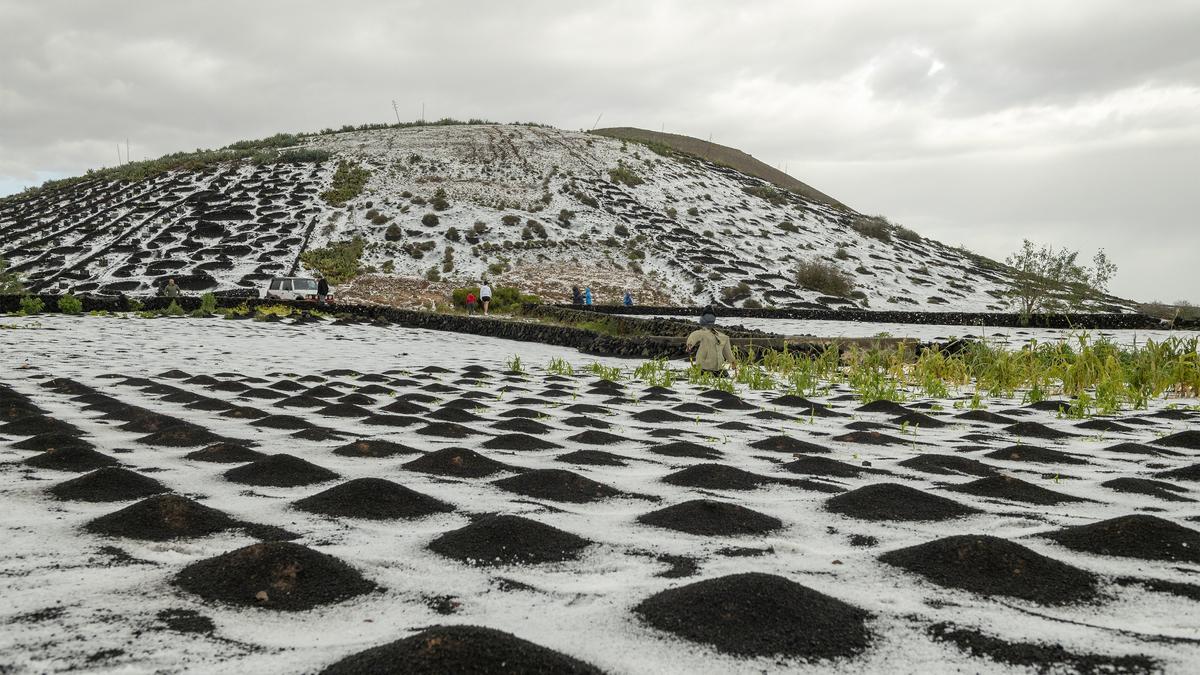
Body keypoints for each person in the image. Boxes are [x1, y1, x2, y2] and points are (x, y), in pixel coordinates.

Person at [685, 306, 735, 376]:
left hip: (709, 367)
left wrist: (689, 345)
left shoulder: (720, 336)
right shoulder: (722, 336)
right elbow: (694, 336)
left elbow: (694, 335)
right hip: (711, 366)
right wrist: (732, 361)